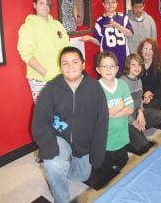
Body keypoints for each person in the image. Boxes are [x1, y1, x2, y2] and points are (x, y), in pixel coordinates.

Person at [32, 46, 109, 203]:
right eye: (65, 63)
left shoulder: (94, 88)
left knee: (83, 175)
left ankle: (63, 167)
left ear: (83, 63)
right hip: (61, 137)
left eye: (75, 62)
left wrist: (97, 153)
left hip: (84, 141)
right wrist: (50, 147)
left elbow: (102, 121)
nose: (70, 66)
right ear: (60, 66)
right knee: (53, 165)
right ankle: (61, 197)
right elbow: (40, 122)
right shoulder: (51, 89)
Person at [17, 0, 70, 103]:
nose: (45, 6)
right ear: (34, 5)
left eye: (47, 4)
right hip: (40, 79)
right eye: (41, 3)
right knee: (46, 115)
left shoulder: (57, 25)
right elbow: (27, 55)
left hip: (62, 77)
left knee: (64, 112)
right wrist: (47, 73)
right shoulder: (28, 27)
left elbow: (67, 49)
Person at [95, 51, 134, 170]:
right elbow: (99, 116)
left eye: (112, 66)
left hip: (122, 138)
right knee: (105, 169)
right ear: (98, 69)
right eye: (104, 66)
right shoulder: (95, 88)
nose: (108, 69)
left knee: (122, 163)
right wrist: (119, 106)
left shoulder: (122, 84)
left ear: (117, 68)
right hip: (106, 142)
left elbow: (130, 108)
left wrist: (109, 113)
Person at [81, 0, 133, 75]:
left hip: (123, 57)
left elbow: (130, 34)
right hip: (107, 59)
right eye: (107, 2)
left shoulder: (123, 18)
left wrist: (117, 26)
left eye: (113, 2)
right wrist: (90, 39)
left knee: (123, 82)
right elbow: (100, 42)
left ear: (117, 4)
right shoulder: (100, 21)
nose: (110, 5)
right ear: (103, 4)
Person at [121, 53, 161, 154]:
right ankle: (126, 135)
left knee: (159, 116)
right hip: (124, 118)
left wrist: (140, 113)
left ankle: (138, 129)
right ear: (128, 66)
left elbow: (139, 99)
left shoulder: (138, 80)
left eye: (139, 65)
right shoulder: (122, 83)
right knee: (144, 146)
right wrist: (133, 122)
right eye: (133, 64)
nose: (137, 67)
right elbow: (122, 109)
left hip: (135, 112)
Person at [137, 38, 161, 111]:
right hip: (142, 95)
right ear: (141, 50)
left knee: (149, 109)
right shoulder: (137, 64)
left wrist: (151, 94)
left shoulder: (160, 65)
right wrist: (144, 95)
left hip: (159, 95)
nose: (147, 51)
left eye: (151, 49)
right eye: (145, 48)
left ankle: (158, 117)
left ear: (154, 52)